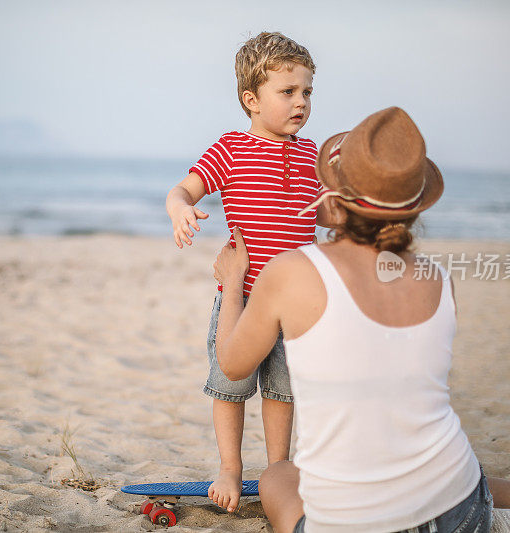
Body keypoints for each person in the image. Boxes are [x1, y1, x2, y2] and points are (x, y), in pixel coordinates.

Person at [212, 107, 510, 532]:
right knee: (485, 484)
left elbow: (232, 365)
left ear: (333, 201)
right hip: (458, 509)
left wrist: (234, 281)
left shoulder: (292, 271)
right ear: (415, 206)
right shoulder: (437, 279)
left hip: (351, 524)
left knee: (277, 475)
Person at [165, 31, 332, 513]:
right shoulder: (232, 149)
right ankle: (231, 468)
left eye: (307, 92)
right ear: (251, 99)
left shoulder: (311, 155)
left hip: (296, 303)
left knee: (282, 389)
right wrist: (180, 211)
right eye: (288, 92)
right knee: (231, 385)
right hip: (242, 298)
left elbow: (319, 213)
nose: (301, 102)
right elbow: (183, 191)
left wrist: (346, 213)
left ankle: (278, 469)